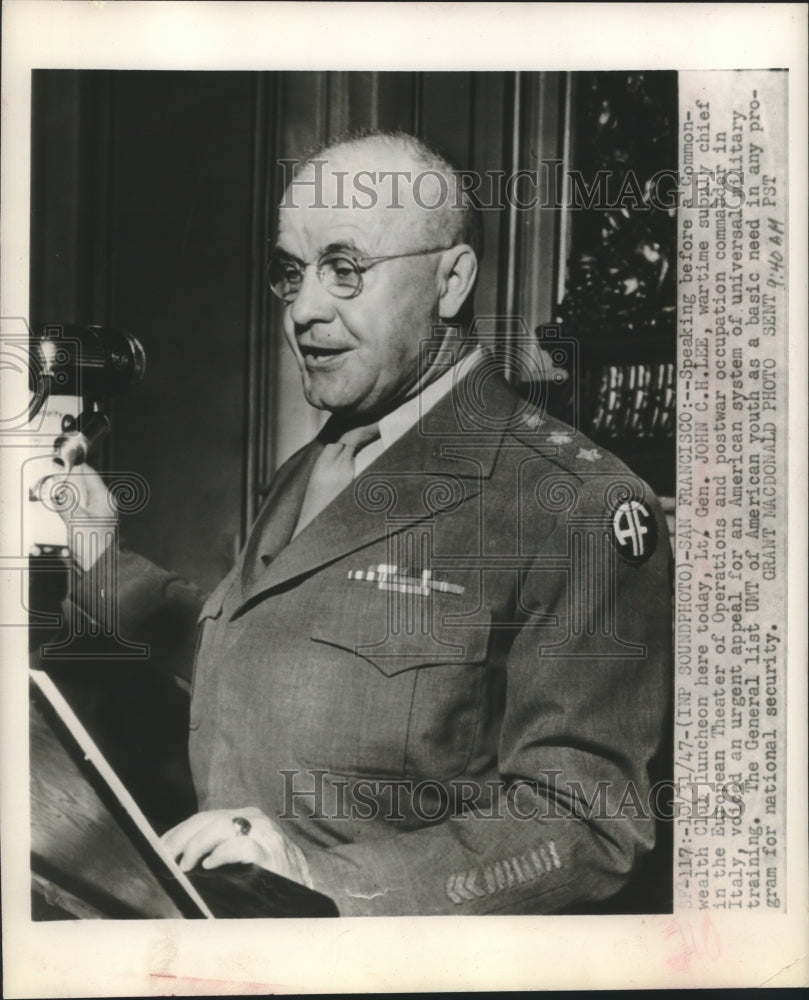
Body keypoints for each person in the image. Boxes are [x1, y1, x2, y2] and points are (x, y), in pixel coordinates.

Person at [47, 131, 672, 916]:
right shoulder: (325, 461)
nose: (305, 309)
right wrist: (97, 555)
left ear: (450, 281)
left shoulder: (574, 503)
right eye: (291, 273)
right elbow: (279, 664)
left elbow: (585, 825)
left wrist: (321, 876)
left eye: (346, 270)